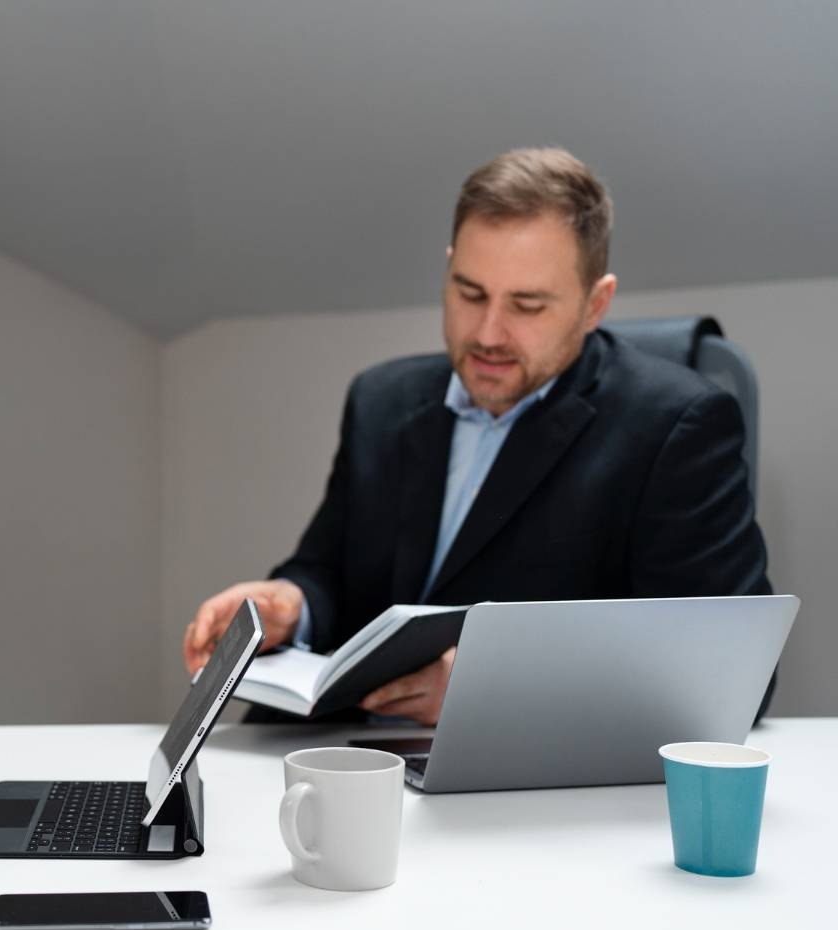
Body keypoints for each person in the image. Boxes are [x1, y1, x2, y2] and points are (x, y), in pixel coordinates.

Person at [182, 147, 772, 725]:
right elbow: (331, 572)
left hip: (527, 790)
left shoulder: (678, 424)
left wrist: (491, 691)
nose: (488, 333)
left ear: (596, 305)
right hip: (352, 758)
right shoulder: (381, 401)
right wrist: (290, 605)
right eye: (470, 293)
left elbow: (731, 671)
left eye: (528, 305)